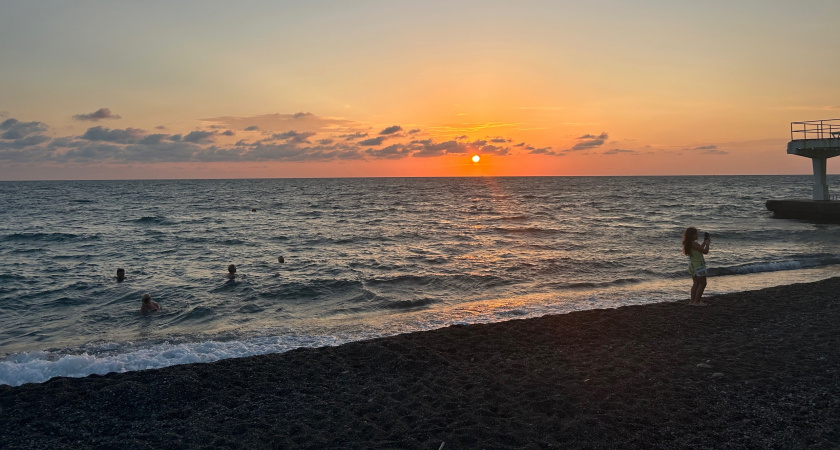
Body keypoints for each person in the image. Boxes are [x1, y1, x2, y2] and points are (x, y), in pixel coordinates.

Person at [682, 227, 711, 306]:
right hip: (699, 265)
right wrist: (708, 244)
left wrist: (704, 242)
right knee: (703, 283)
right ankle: (697, 301)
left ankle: (692, 301)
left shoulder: (689, 244)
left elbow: (699, 249)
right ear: (692, 235)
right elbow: (705, 251)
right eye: (696, 234)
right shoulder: (694, 244)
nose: (697, 235)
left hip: (692, 265)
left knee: (696, 283)